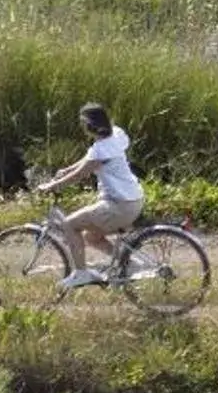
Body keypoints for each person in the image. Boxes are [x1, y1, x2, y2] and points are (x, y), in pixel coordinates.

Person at [37, 102, 144, 283]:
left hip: (119, 206)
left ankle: (81, 273)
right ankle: (130, 262)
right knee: (91, 237)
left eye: (82, 123)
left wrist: (52, 186)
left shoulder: (101, 149)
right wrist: (66, 169)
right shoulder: (115, 134)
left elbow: (81, 173)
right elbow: (90, 159)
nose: (81, 127)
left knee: (69, 225)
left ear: (89, 125)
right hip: (133, 200)